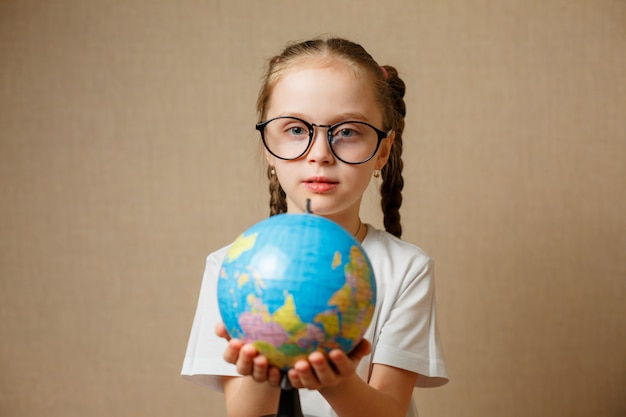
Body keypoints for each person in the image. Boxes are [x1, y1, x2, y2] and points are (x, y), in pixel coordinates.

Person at [182, 37, 448, 417]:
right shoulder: (234, 269)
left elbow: (389, 411)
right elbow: (245, 413)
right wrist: (263, 369)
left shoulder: (407, 269)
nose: (320, 153)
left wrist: (336, 380)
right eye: (295, 130)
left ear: (383, 152)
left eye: (348, 131)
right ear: (267, 148)